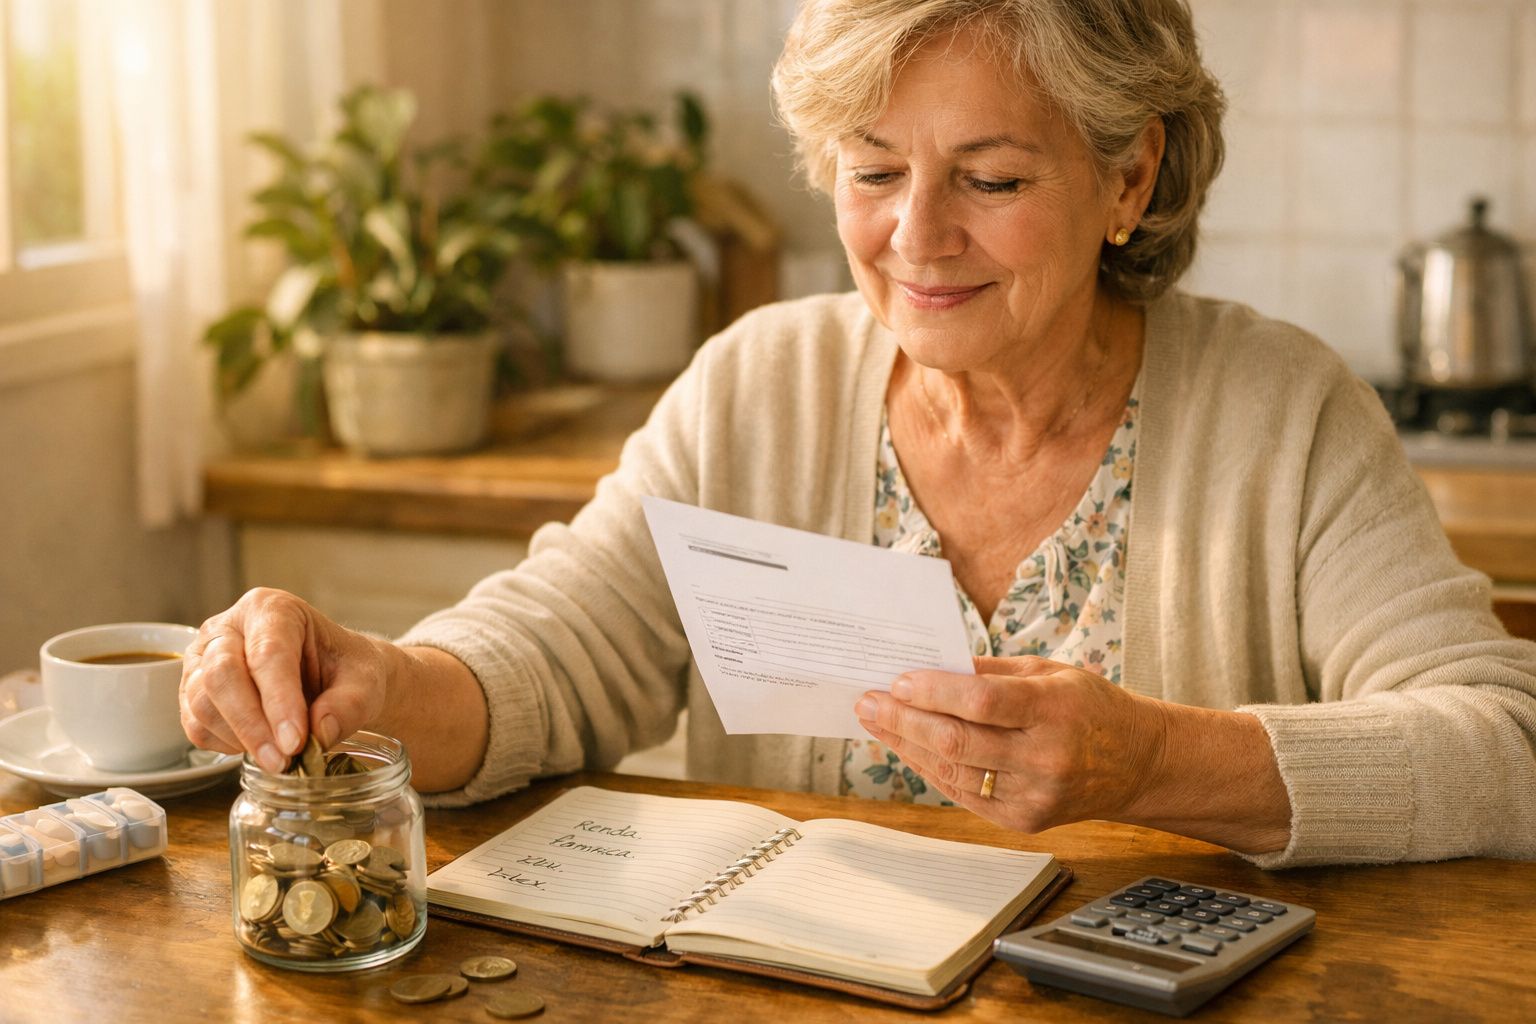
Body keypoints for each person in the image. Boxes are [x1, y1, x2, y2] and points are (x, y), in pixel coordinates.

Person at [180, 0, 1536, 869]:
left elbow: (1503, 744)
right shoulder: (758, 384)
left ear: (1133, 175)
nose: (916, 236)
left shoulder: (1286, 415)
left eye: (991, 179)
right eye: (874, 171)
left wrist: (1167, 761)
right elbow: (558, 649)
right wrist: (376, 682)